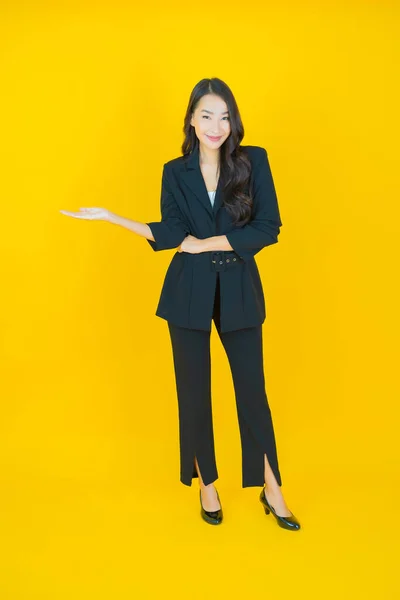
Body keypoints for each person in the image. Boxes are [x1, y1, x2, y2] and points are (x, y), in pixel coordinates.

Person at [60, 77, 300, 531]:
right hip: (187, 291)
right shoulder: (175, 170)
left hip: (238, 288)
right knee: (193, 395)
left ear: (234, 120)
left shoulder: (254, 162)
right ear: (191, 119)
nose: (216, 126)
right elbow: (172, 232)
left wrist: (207, 243)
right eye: (206, 115)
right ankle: (207, 485)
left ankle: (272, 488)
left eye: (224, 116)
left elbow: (268, 228)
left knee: (252, 394)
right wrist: (113, 218)